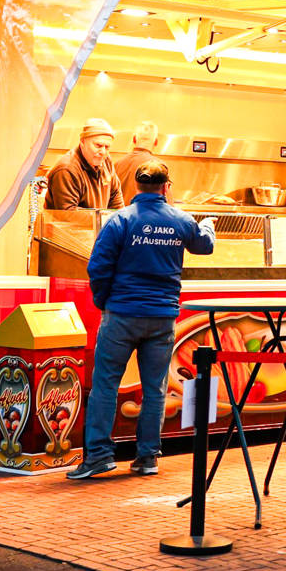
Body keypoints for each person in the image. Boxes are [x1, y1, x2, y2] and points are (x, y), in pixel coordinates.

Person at [67, 160, 215, 479]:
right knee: (155, 389)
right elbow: (204, 247)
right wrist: (209, 226)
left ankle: (99, 456)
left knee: (106, 385)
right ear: (166, 187)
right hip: (162, 318)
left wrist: (104, 301)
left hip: (121, 315)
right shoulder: (181, 220)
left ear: (136, 187)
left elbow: (98, 266)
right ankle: (147, 457)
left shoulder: (120, 220)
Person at [46, 118, 124, 211]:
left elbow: (116, 199)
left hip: (97, 224)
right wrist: (101, 218)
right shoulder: (66, 170)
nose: (103, 152)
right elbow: (68, 214)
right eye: (98, 145)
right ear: (82, 142)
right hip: (70, 225)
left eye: (107, 147)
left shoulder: (106, 161)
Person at [113, 121, 160, 198]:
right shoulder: (159, 167)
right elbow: (167, 202)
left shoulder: (116, 165)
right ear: (156, 142)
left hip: (119, 210)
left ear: (134, 139)